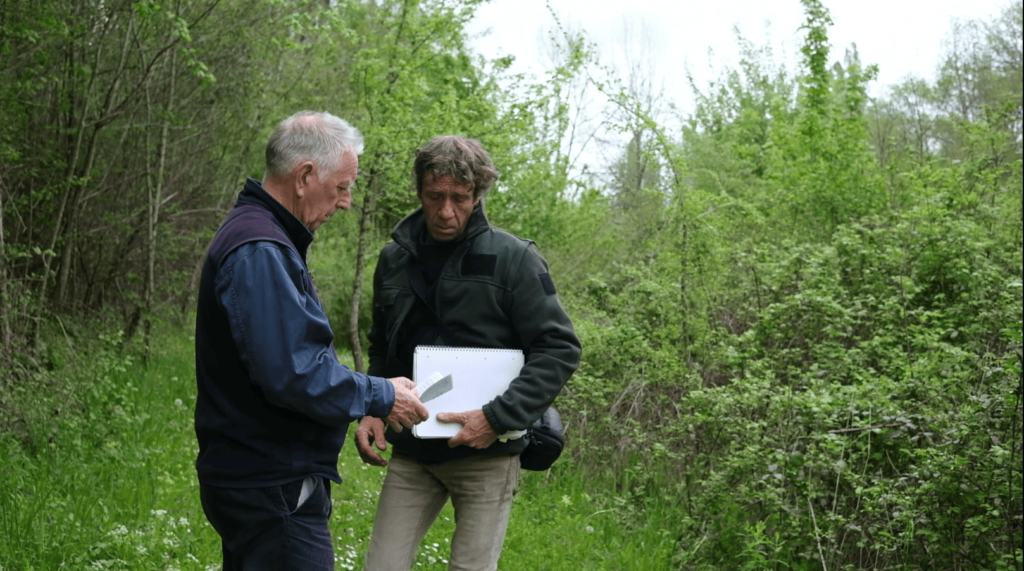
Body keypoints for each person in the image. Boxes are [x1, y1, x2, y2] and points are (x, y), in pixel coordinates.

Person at [194, 111, 429, 570]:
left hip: (259, 480)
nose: (345, 202)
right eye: (341, 187)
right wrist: (381, 394)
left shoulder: (265, 237)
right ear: (304, 177)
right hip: (271, 485)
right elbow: (292, 371)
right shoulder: (260, 248)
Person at [355, 136, 582, 570]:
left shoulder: (515, 259)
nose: (445, 211)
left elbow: (558, 348)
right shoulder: (394, 259)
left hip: (487, 455)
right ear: (419, 191)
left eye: (459, 199)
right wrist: (373, 405)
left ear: (477, 195)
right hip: (414, 451)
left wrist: (496, 419)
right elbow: (382, 344)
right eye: (434, 196)